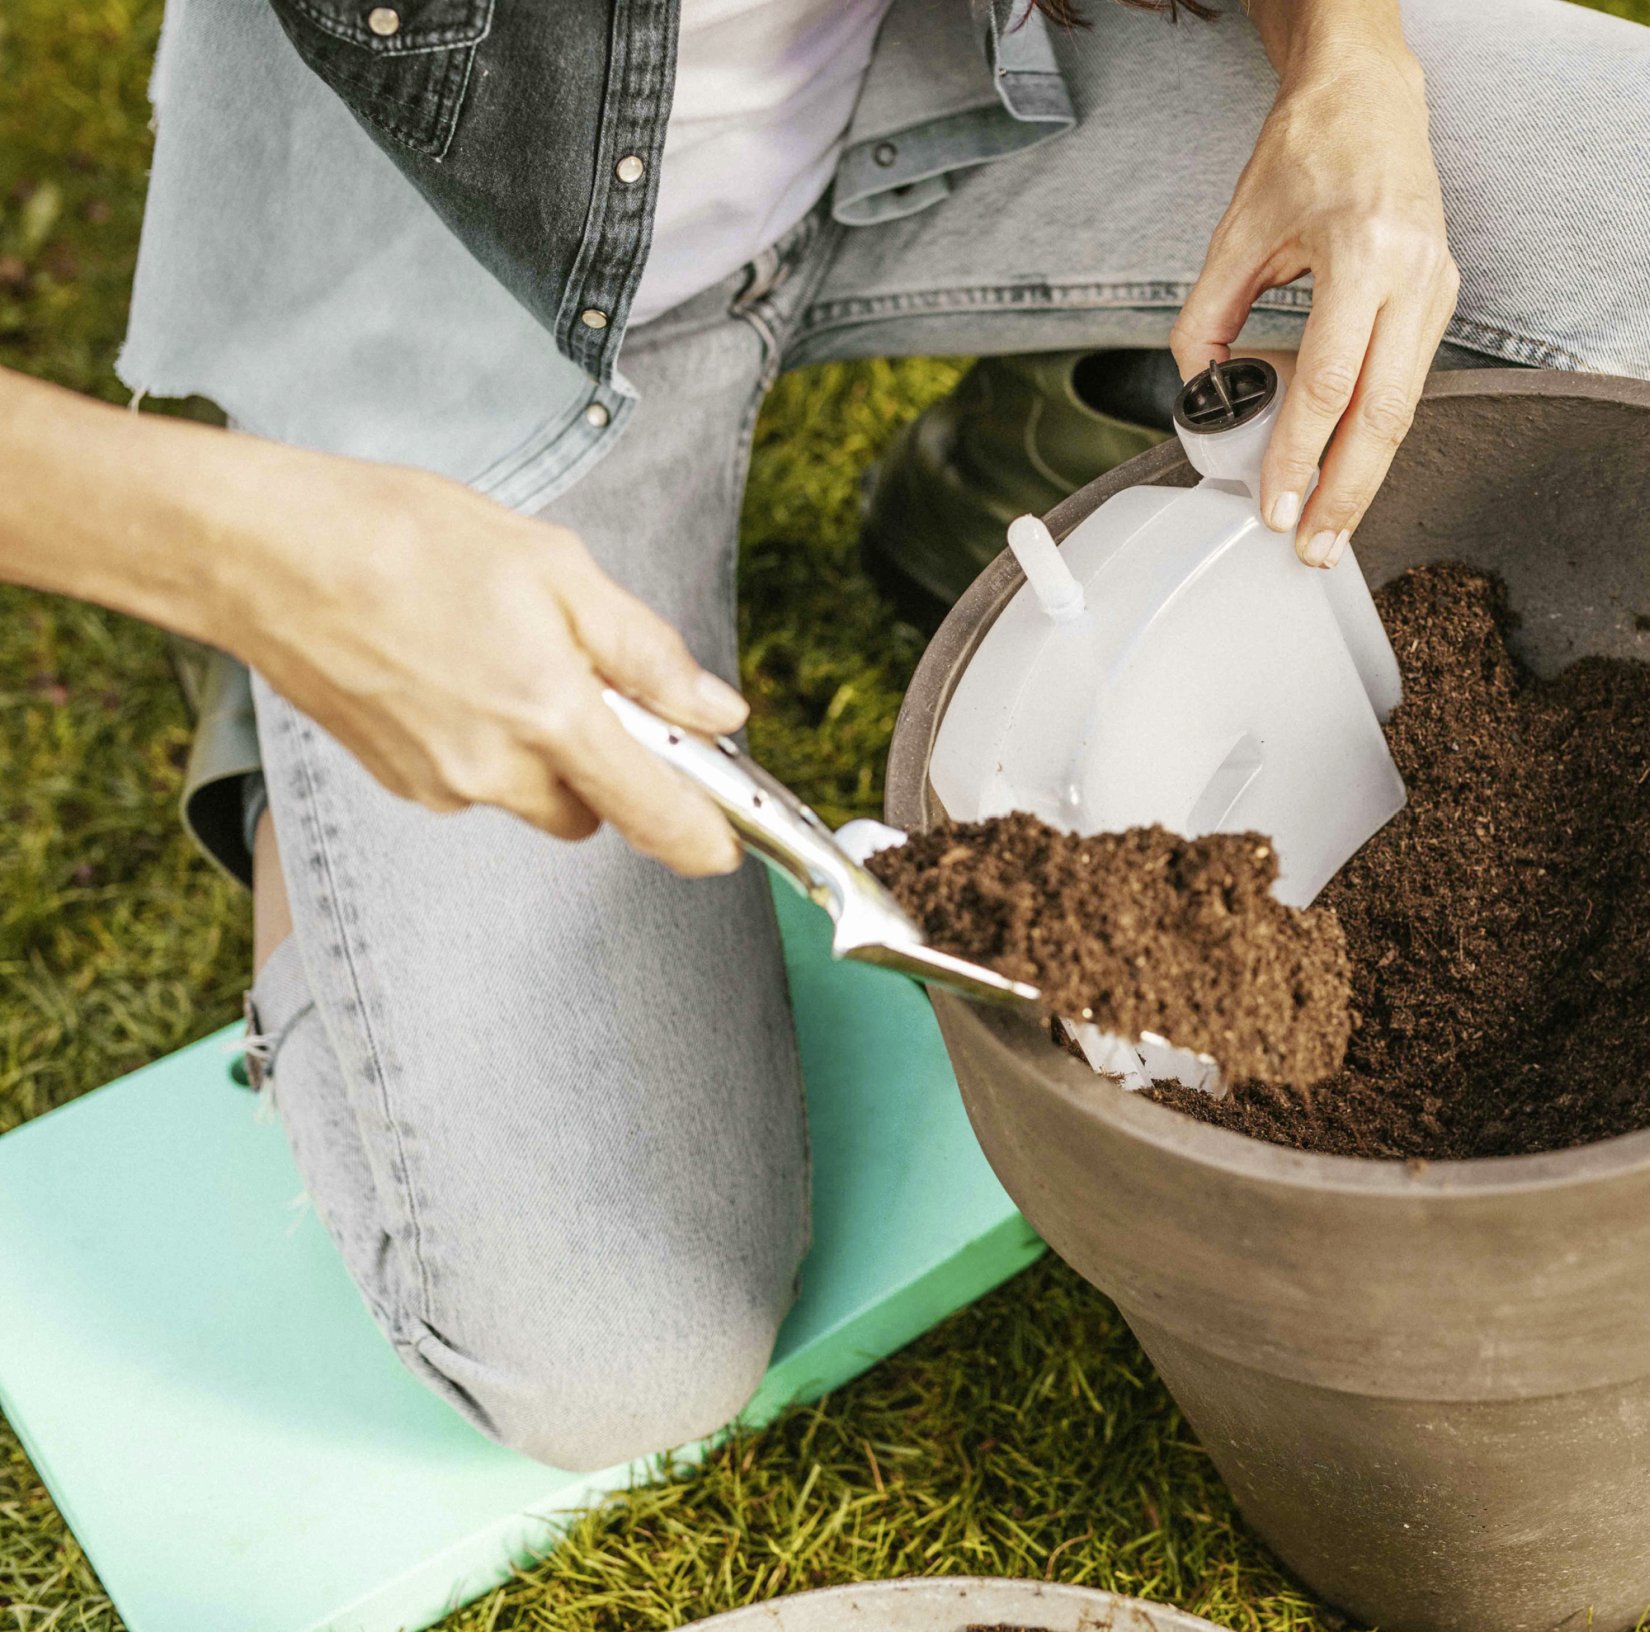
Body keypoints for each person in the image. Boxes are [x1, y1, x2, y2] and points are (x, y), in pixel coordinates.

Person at [3, 0, 1647, 1471]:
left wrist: (1346, 68)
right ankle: (316, 695)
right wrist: (257, 555)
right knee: (612, 1357)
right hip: (447, 250)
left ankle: (1070, 417)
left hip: (940, 76)